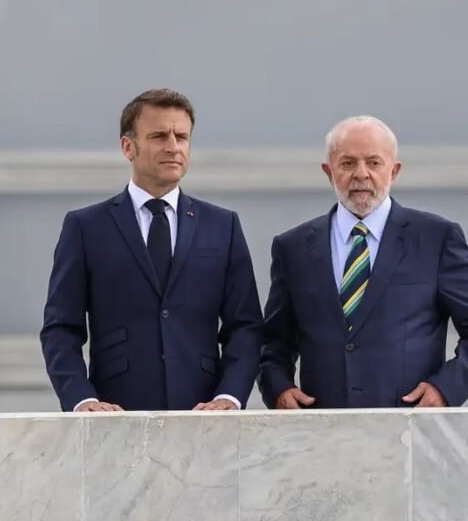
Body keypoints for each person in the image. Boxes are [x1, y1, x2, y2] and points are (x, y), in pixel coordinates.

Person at [40, 89, 263, 412]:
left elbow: (245, 326)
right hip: (114, 417)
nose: (173, 147)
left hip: (204, 418)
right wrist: (81, 399)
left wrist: (229, 397)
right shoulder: (85, 227)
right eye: (159, 136)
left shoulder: (223, 226)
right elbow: (61, 328)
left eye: (182, 137)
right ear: (128, 147)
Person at [258, 116, 468, 408]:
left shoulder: (437, 238)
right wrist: (278, 388)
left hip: (410, 429)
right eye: (347, 163)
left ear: (394, 171)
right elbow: (274, 342)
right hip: (321, 432)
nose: (361, 174)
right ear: (328, 172)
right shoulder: (292, 248)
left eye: (374, 162)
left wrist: (445, 389)